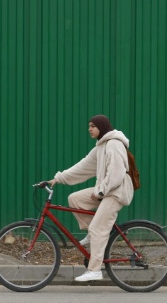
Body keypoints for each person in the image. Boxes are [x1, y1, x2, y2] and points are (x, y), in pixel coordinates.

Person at [47, 114, 134, 282]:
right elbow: (83, 167)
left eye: (93, 126)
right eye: (89, 126)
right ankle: (93, 234)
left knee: (97, 228)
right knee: (75, 198)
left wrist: (100, 191)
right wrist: (59, 178)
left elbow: (116, 175)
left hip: (116, 192)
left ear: (102, 126)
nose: (89, 129)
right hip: (106, 190)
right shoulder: (100, 147)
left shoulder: (114, 144)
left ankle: (94, 270)